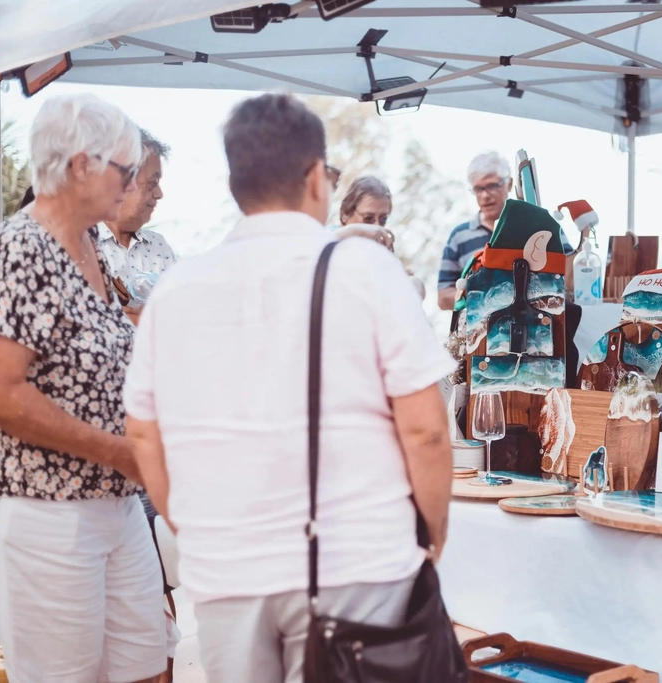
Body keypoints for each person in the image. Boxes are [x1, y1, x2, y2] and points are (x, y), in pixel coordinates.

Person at [124, 93, 456, 683]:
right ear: (314, 179)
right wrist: (431, 536)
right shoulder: (367, 270)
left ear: (236, 183)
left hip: (227, 571)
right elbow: (427, 429)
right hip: (356, 565)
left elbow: (145, 435)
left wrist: (196, 526)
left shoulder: (176, 291)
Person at [0, 94, 167, 682]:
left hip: (116, 504)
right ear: (79, 167)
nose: (130, 184)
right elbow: (4, 393)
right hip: (53, 513)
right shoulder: (22, 247)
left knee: (150, 666)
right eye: (125, 170)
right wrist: (121, 452)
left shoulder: (91, 245)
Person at [97, 129, 176, 325]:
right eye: (152, 183)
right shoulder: (81, 245)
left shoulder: (159, 247)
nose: (159, 194)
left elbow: (177, 317)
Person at [437, 151, 512, 310]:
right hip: (477, 332)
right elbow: (443, 297)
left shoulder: (539, 226)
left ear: (509, 184)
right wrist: (477, 295)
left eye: (492, 185)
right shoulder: (459, 236)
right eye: (478, 189)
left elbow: (568, 278)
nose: (485, 195)